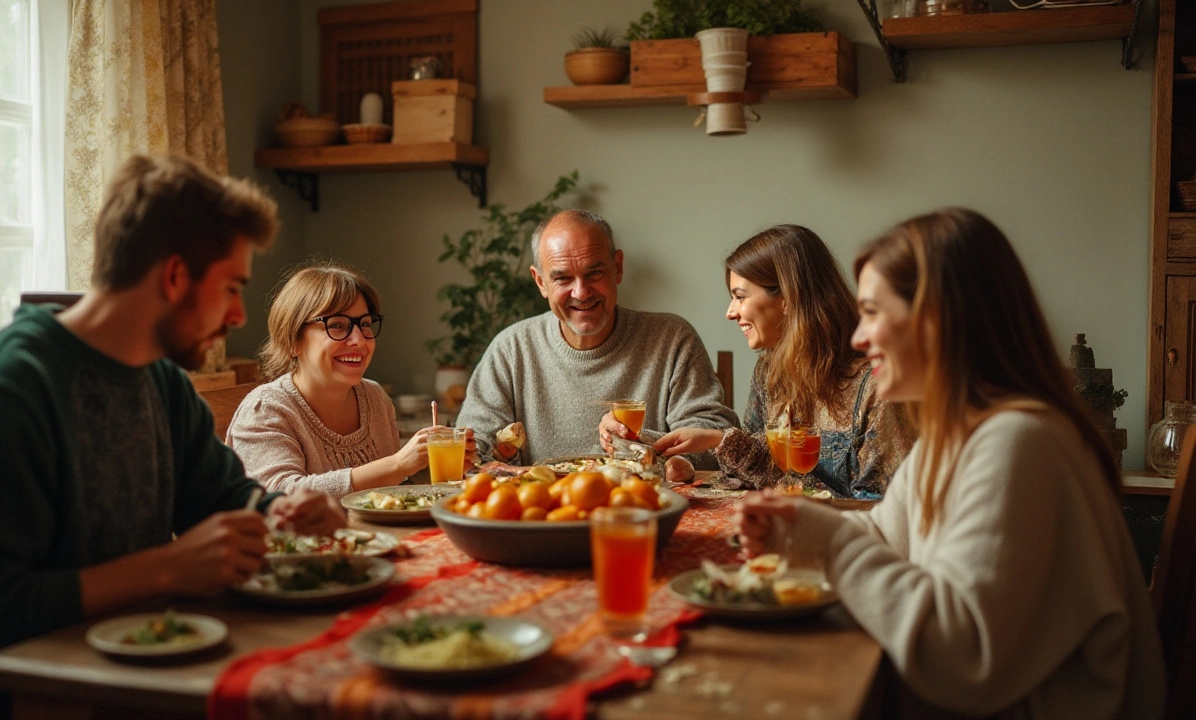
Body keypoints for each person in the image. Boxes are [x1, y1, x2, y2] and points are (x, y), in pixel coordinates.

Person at [0, 155, 348, 720]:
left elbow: (229, 505)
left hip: (130, 680)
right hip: (13, 704)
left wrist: (292, 514)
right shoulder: (5, 390)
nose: (241, 314)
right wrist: (166, 568)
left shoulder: (162, 383)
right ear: (174, 276)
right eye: (232, 287)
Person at [736, 209, 1164, 718]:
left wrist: (828, 544)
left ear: (935, 319)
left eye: (873, 312)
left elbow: (961, 660)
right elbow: (884, 537)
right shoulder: (956, 436)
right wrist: (797, 529)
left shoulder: (1018, 444)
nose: (857, 337)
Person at [456, 209, 738, 467]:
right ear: (540, 282)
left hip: (640, 512)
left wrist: (639, 443)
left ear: (618, 267)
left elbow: (716, 442)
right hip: (543, 513)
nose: (581, 292)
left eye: (594, 273)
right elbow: (473, 449)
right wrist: (475, 452)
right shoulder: (511, 349)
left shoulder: (672, 339)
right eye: (563, 279)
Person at [651, 226, 913, 498]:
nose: (730, 312)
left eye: (740, 297)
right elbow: (760, 476)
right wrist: (718, 440)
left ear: (788, 297)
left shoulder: (875, 387)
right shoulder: (768, 372)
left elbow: (881, 509)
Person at [228, 263, 472, 496]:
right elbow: (280, 497)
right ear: (293, 341)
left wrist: (434, 465)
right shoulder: (266, 409)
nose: (359, 340)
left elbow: (389, 494)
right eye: (336, 325)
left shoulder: (374, 398)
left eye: (364, 324)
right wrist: (397, 464)